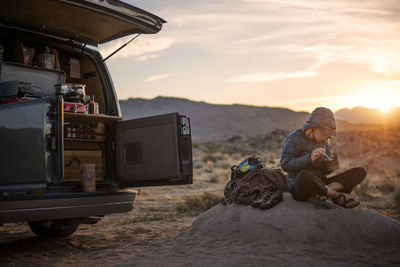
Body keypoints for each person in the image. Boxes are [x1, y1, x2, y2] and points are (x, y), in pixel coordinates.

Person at [280, 107, 367, 208]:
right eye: (323, 133)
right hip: (300, 185)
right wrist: (310, 158)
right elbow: (285, 164)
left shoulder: (325, 142)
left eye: (327, 134)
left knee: (360, 171)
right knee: (304, 175)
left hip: (320, 182)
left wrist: (330, 165)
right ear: (312, 127)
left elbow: (324, 173)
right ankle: (336, 195)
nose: (325, 137)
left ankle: (323, 192)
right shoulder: (294, 138)